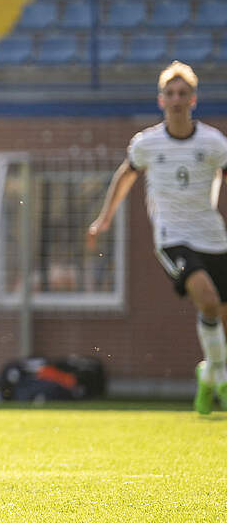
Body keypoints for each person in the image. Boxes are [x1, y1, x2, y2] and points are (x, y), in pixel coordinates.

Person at [88, 61, 227, 414]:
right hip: (172, 237)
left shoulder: (213, 142)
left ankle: (208, 374)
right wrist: (105, 217)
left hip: (212, 236)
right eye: (170, 93)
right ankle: (223, 378)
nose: (177, 99)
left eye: (183, 93)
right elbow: (125, 176)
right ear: (161, 100)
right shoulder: (147, 143)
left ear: (193, 100)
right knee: (207, 301)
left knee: (221, 316)